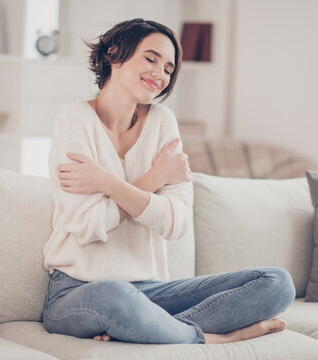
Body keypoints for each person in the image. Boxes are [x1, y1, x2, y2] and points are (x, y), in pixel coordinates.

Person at [42, 18, 296, 345]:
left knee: (276, 283)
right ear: (114, 53)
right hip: (79, 290)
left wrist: (108, 183)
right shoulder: (75, 118)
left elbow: (174, 224)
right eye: (151, 59)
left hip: (151, 290)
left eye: (168, 68)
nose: (160, 75)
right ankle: (208, 338)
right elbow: (87, 224)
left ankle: (148, 328)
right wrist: (154, 179)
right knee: (115, 296)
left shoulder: (163, 123)